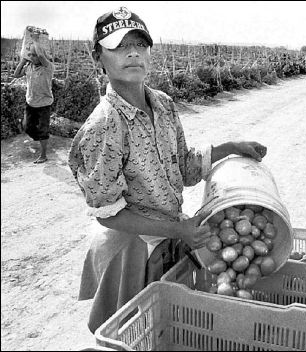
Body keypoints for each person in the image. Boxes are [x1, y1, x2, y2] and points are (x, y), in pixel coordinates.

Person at [67, 6, 268, 333]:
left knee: (166, 326)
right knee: (135, 331)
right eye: (119, 46)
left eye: (140, 44)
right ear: (97, 57)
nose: (133, 53)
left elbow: (185, 168)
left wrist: (230, 147)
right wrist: (180, 231)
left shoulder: (162, 104)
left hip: (168, 234)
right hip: (129, 248)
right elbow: (108, 214)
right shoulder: (103, 127)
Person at [13, 35, 55, 163]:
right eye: (30, 55)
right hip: (30, 102)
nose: (32, 57)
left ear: (41, 54)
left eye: (34, 55)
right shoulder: (29, 67)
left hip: (44, 104)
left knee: (43, 130)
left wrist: (36, 40)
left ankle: (43, 155)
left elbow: (41, 57)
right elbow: (16, 74)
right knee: (27, 127)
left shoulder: (48, 67)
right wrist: (23, 61)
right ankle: (42, 139)